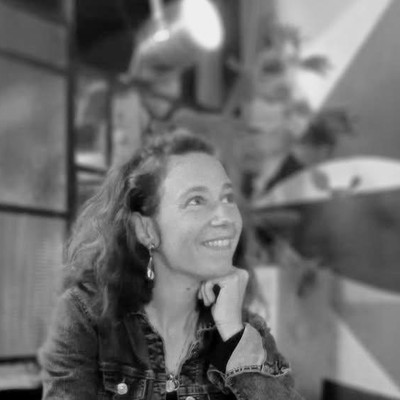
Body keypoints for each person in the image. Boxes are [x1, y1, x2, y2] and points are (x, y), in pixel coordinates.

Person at [38, 127, 304, 400]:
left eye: (227, 198)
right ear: (146, 229)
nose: (226, 217)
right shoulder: (85, 317)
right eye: (196, 200)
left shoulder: (246, 330)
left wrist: (234, 338)